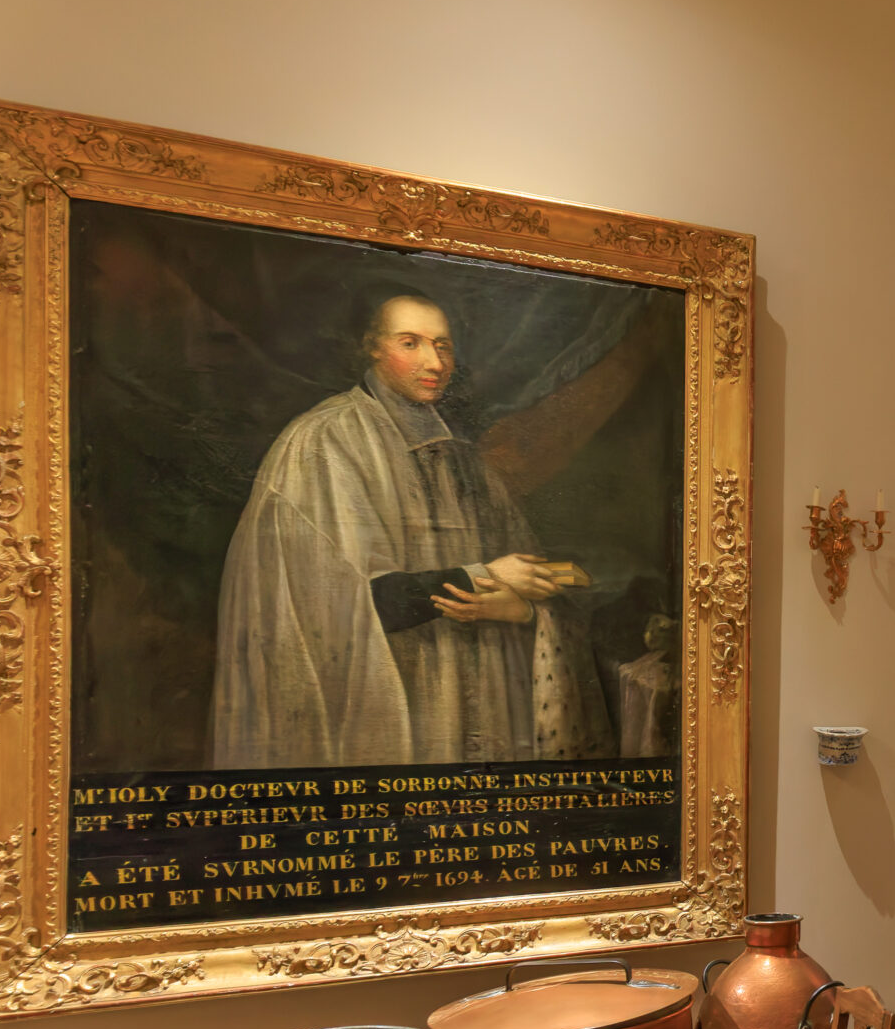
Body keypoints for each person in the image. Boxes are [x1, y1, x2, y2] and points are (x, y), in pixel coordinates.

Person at [208, 294, 612, 768]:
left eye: (442, 346)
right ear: (373, 347)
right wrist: (488, 576)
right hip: (378, 697)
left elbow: (535, 575)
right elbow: (352, 602)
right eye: (410, 343)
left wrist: (522, 612)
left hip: (473, 693)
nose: (434, 363)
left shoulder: (462, 457)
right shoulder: (323, 440)